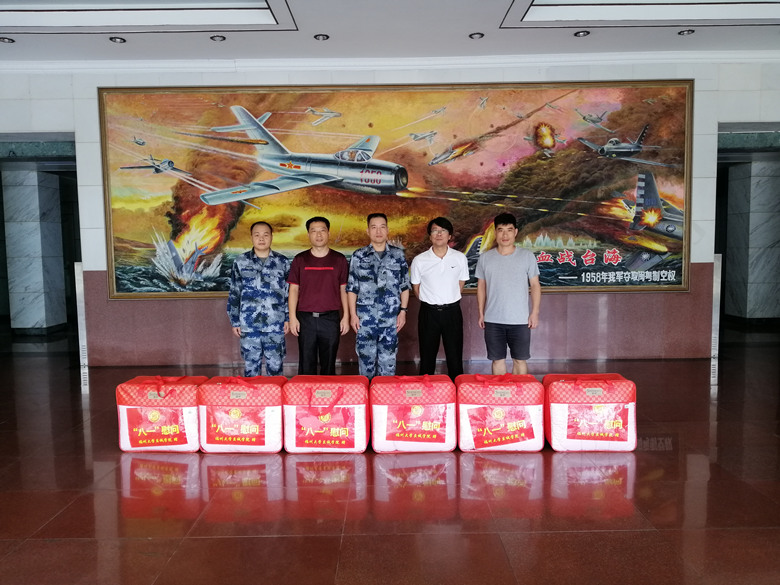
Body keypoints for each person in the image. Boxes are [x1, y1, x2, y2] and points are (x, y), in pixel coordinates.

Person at [476, 212, 541, 375]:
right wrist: (481, 313)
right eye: (501, 230)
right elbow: (481, 286)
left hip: (520, 320)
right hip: (493, 319)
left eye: (509, 230)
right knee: (497, 360)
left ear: (515, 232)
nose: (505, 235)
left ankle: (520, 392)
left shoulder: (527, 256)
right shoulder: (485, 258)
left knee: (520, 360)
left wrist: (534, 313)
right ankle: (501, 391)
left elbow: (535, 285)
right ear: (495, 233)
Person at [347, 213, 411, 378]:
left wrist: (403, 311)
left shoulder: (398, 255)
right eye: (374, 227)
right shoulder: (358, 256)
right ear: (368, 231)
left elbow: (404, 286)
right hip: (365, 320)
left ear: (387, 230)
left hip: (390, 320)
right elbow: (352, 288)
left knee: (388, 366)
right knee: (365, 366)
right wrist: (353, 315)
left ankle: (384, 395)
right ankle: (367, 394)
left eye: (382, 227)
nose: (378, 231)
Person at [227, 221, 291, 377]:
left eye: (265, 235)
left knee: (276, 368)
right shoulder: (240, 262)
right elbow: (235, 292)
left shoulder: (282, 262)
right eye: (257, 235)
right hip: (249, 325)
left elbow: (289, 293)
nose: (261, 238)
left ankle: (274, 393)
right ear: (251, 237)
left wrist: (288, 318)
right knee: (251, 369)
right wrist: (235, 321)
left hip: (275, 324)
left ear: (271, 237)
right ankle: (253, 394)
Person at [287, 216, 349, 375]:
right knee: (306, 364)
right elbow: (293, 290)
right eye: (314, 231)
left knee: (329, 364)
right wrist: (292, 317)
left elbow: (344, 290)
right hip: (305, 319)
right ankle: (307, 391)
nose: (318, 235)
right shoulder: (300, 260)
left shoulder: (339, 260)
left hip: (330, 319)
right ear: (308, 234)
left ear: (329, 233)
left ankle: (327, 391)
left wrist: (346, 316)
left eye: (322, 230)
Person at [410, 216, 469, 379]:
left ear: (449, 236)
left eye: (443, 231)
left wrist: (447, 298)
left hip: (452, 312)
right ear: (430, 236)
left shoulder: (459, 258)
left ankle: (457, 390)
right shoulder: (420, 260)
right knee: (427, 358)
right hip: (429, 313)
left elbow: (461, 283)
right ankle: (426, 391)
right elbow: (416, 287)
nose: (439, 234)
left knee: (455, 357)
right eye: (435, 231)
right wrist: (432, 300)